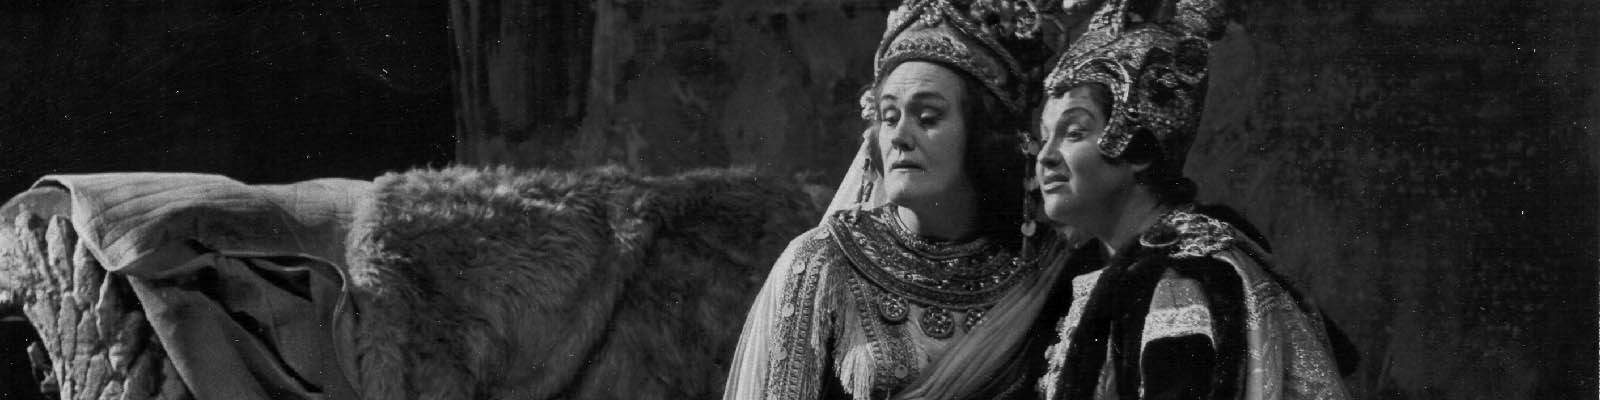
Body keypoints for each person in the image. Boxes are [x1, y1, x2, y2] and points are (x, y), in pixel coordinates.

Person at [722, 0, 1077, 398]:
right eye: (889, 118)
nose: (899, 137)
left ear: (983, 138)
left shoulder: (1041, 269)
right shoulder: (824, 264)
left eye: (927, 119)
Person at [1028, 0, 1353, 398]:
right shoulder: (1128, 265)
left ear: (1140, 150)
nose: (1045, 157)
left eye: (1074, 133)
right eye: (1045, 137)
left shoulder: (1179, 280)